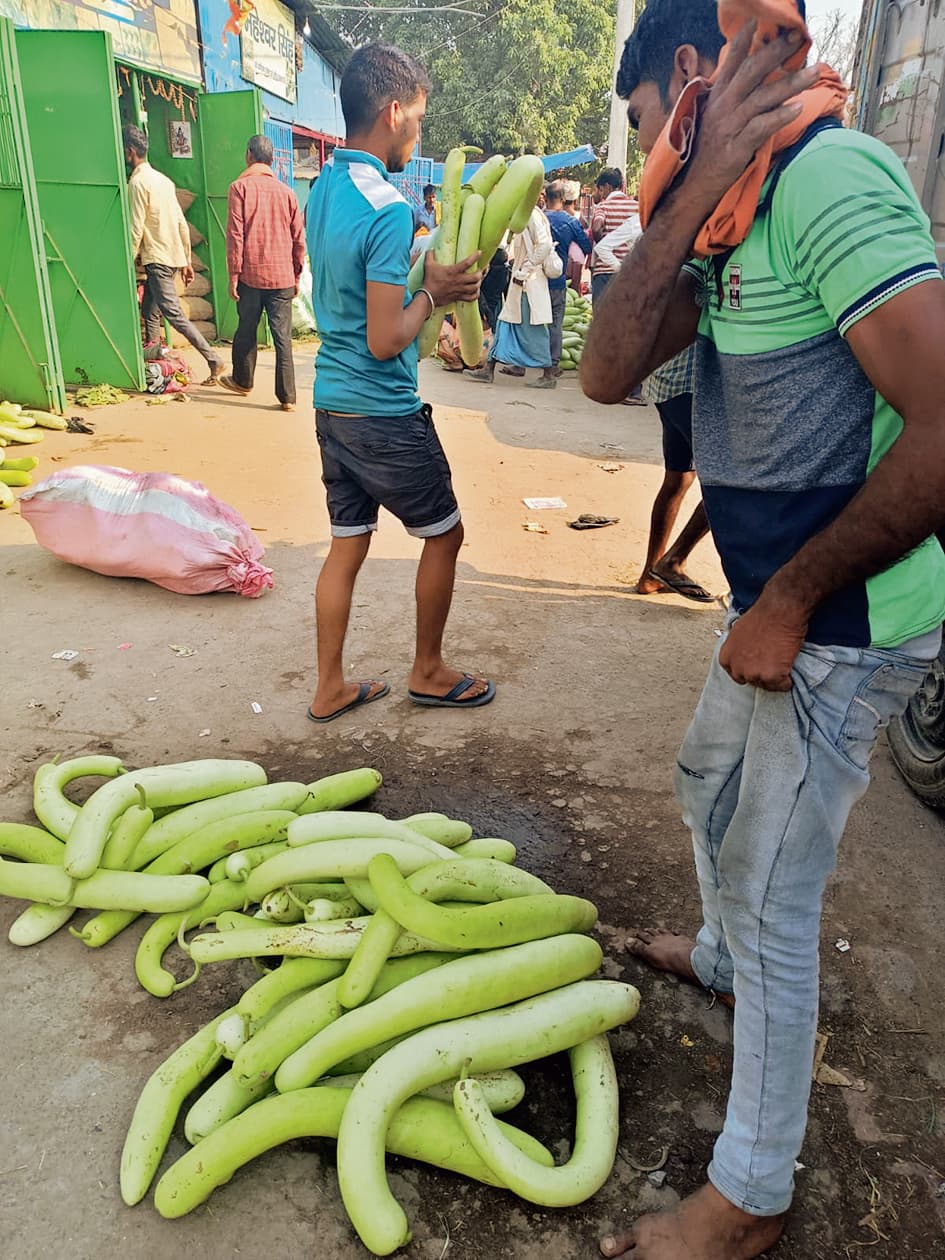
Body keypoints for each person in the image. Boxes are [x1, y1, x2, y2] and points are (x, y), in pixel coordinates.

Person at [580, 1, 945, 1257]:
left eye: (647, 124)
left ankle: (749, 1197)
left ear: (690, 74)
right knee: (705, 783)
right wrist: (694, 182)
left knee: (772, 885)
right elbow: (605, 371)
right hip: (776, 597)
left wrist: (788, 604)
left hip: (846, 613)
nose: (646, 154)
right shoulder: (727, 207)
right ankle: (726, 963)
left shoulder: (828, 181)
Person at [305, 43, 494, 722]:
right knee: (444, 535)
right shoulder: (386, 208)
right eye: (417, 117)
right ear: (392, 112)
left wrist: (419, 281)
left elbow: (356, 299)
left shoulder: (324, 188)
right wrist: (436, 293)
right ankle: (429, 670)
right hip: (382, 410)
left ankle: (329, 686)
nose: (419, 133)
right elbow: (387, 338)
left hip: (332, 405)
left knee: (347, 544)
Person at [122, 124, 224, 385]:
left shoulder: (137, 183)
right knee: (150, 311)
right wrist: (186, 260)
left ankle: (213, 358)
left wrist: (127, 262)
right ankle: (154, 363)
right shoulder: (164, 181)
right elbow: (181, 223)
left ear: (130, 151)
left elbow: (135, 228)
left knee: (174, 314)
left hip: (156, 258)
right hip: (171, 257)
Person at [220, 134, 305, 412]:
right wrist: (296, 275)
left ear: (249, 155)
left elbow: (235, 236)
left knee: (246, 329)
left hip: (251, 276)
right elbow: (299, 239)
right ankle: (288, 397)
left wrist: (234, 275)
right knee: (283, 338)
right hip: (282, 277)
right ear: (272, 159)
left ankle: (243, 381)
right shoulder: (288, 193)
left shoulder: (239, 188)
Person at [638, 346, 713, 601]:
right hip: (693, 387)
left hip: (668, 382)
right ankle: (673, 561)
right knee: (728, 486)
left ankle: (651, 575)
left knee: (679, 476)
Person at [464, 206, 557, 389]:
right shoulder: (521, 214)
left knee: (533, 331)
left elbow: (545, 245)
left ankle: (548, 373)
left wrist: (526, 269)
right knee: (504, 324)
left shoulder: (531, 215)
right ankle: (489, 368)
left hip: (528, 284)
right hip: (519, 282)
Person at [543, 181, 593, 378]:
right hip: (557, 279)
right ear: (563, 199)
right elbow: (586, 246)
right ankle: (553, 364)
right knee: (556, 322)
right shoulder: (570, 222)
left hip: (535, 280)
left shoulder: (538, 218)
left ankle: (524, 362)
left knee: (533, 321)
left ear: (545, 197)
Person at [589, 167, 638, 307]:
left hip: (605, 272)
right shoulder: (637, 207)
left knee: (602, 317)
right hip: (630, 271)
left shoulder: (603, 207)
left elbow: (596, 228)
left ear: (607, 187)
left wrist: (603, 242)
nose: (600, 193)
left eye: (600, 189)